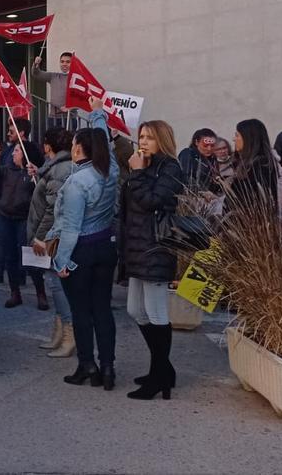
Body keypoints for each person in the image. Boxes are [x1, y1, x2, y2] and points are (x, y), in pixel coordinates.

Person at [39, 99, 120, 390]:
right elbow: (103, 141)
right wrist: (98, 113)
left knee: (82, 311)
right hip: (106, 246)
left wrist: (61, 262)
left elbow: (70, 228)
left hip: (82, 251)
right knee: (102, 310)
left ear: (77, 149)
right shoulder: (110, 170)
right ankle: (108, 366)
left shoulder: (77, 183)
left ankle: (88, 364)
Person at [121, 120, 184, 400]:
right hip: (137, 246)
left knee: (157, 313)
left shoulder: (170, 167)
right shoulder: (145, 166)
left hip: (156, 247)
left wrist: (137, 173)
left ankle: (159, 376)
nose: (143, 142)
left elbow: (151, 201)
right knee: (136, 309)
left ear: (162, 140)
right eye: (141, 136)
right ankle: (163, 369)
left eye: (149, 137)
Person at [27, 127, 76, 358]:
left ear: (48, 146)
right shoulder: (57, 167)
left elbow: (52, 208)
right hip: (56, 235)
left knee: (58, 285)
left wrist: (41, 236)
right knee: (55, 285)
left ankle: (69, 334)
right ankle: (59, 332)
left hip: (56, 237)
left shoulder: (60, 168)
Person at [0, 144, 44, 309]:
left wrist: (37, 176)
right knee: (10, 256)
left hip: (24, 219)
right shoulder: (6, 170)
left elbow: (42, 193)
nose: (13, 153)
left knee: (31, 256)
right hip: (5, 216)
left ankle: (40, 293)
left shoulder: (33, 173)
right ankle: (14, 293)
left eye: (17, 150)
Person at [31, 51, 73, 126]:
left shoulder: (76, 79)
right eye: (62, 61)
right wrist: (36, 64)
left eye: (68, 62)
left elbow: (82, 99)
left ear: (73, 63)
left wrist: (71, 107)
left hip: (70, 118)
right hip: (54, 117)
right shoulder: (53, 76)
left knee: (68, 138)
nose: (64, 64)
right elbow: (36, 74)